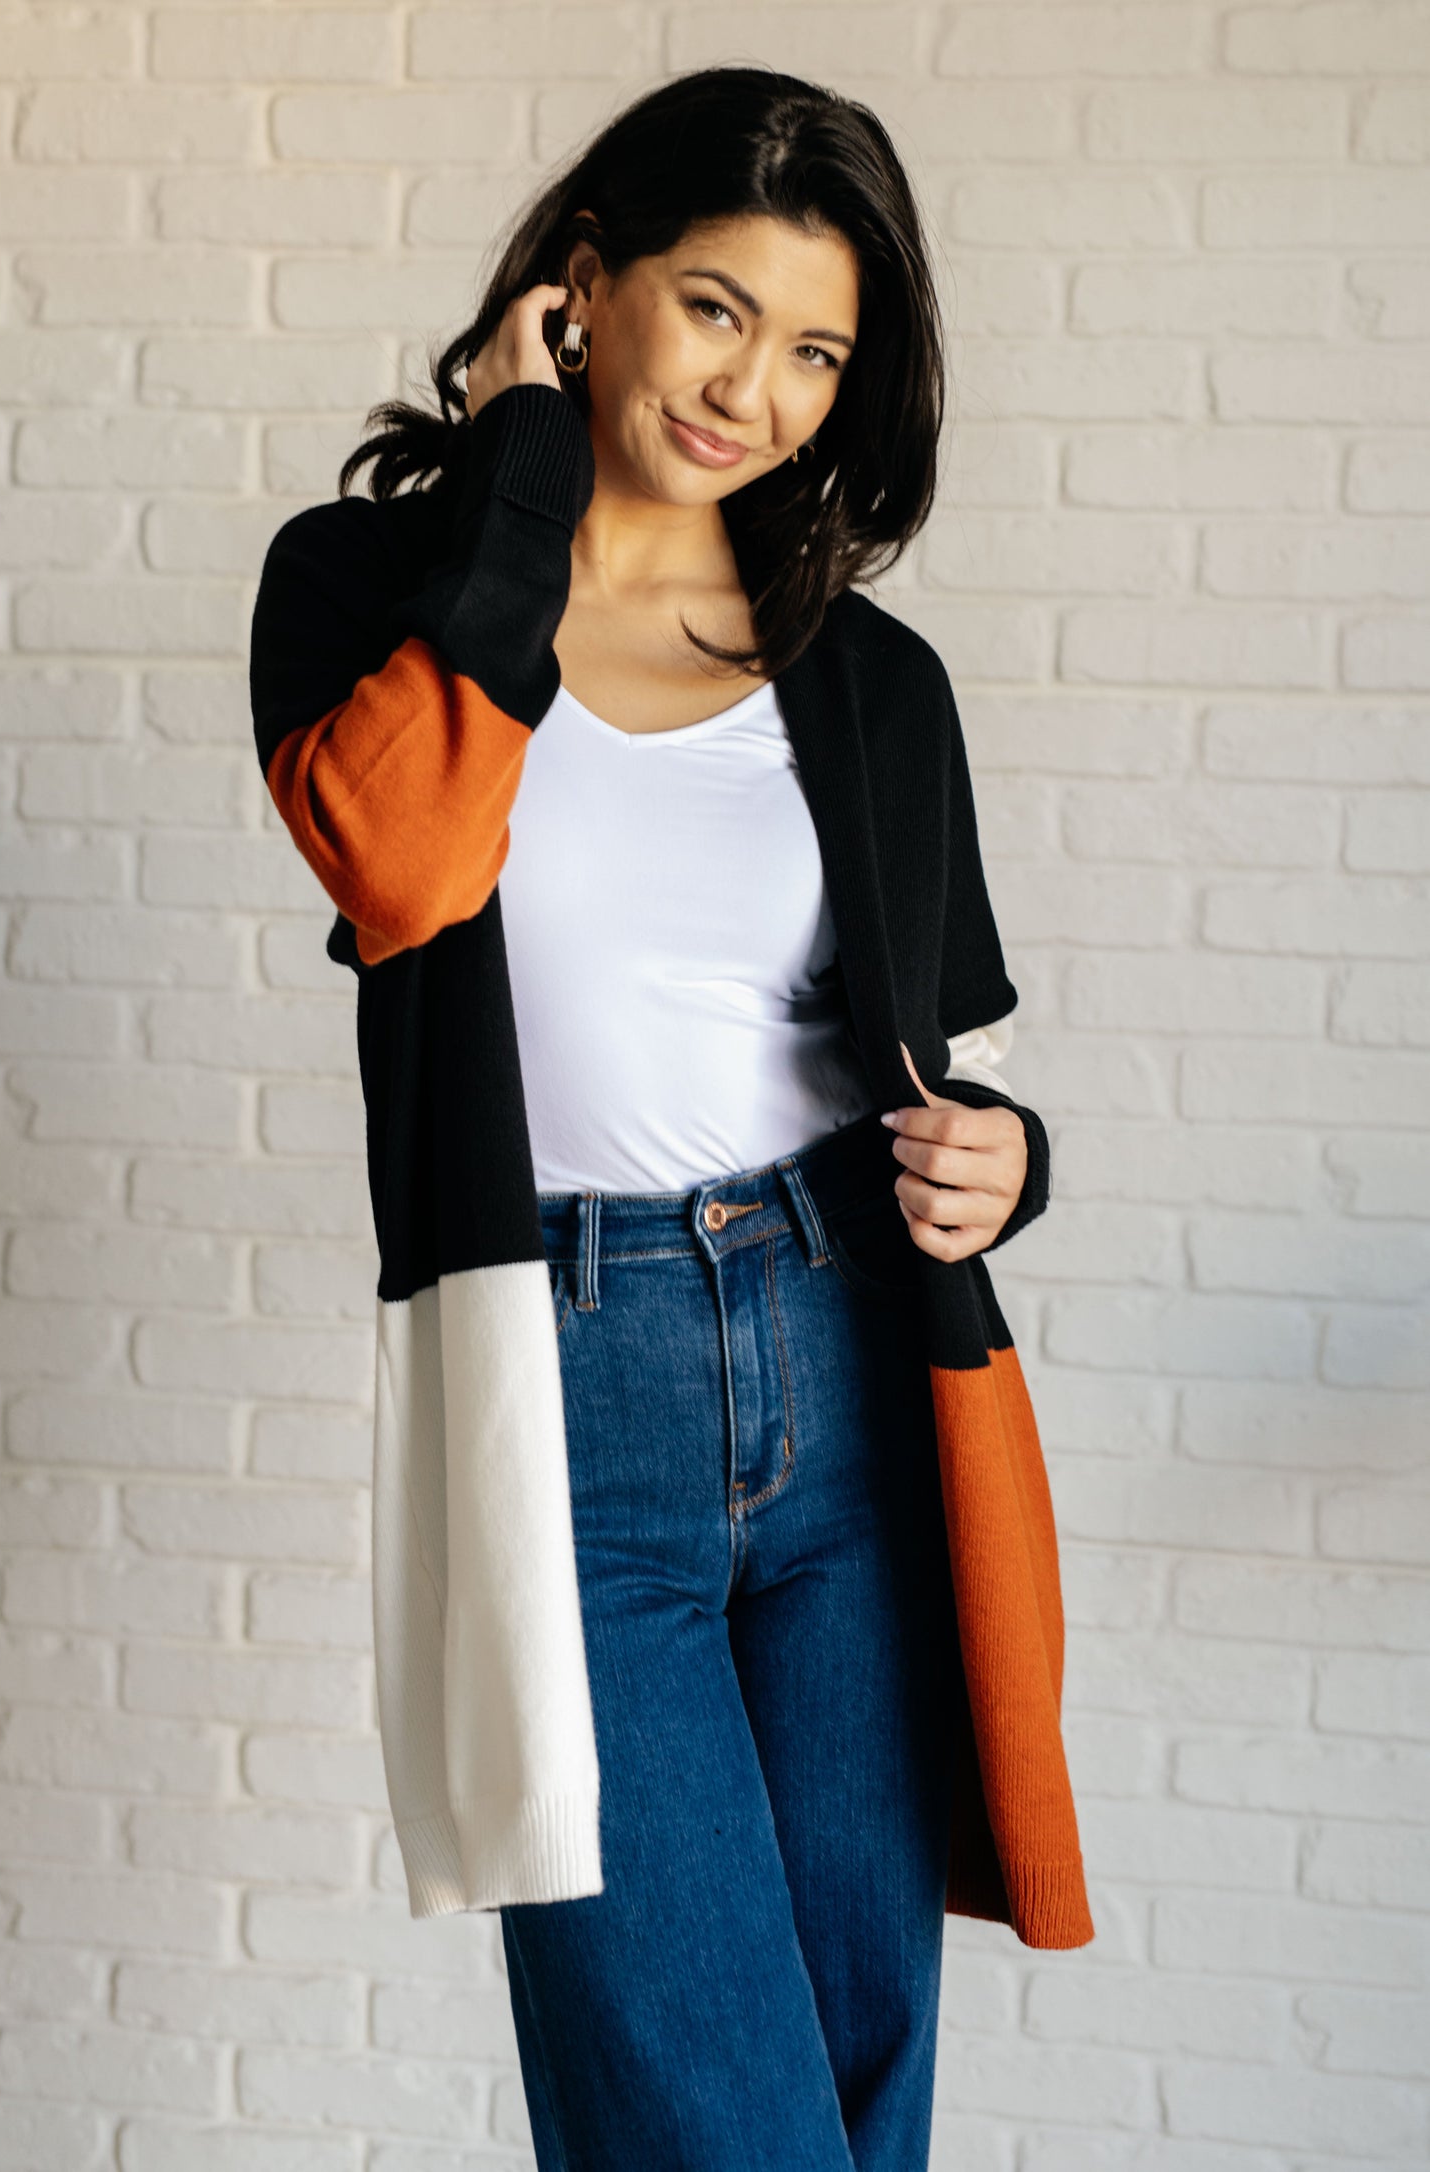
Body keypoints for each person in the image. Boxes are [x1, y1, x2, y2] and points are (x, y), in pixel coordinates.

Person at [250, 65, 1090, 2172]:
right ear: (585, 281)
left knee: (859, 2086)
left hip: (846, 1367)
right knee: (707, 2121)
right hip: (570, 1392)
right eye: (716, 308)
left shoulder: (869, 681)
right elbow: (399, 864)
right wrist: (520, 476)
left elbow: (930, 1065)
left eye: (815, 352)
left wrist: (1010, 1167)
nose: (753, 390)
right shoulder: (372, 593)